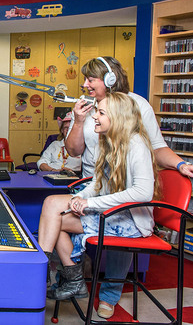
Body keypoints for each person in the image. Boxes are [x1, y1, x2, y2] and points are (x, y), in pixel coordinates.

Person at [64, 56, 193, 318]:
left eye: (91, 79)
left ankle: (110, 294)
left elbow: (155, 148)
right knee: (63, 215)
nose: (85, 84)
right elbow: (74, 150)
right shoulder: (86, 106)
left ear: (110, 79)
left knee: (121, 225)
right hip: (93, 181)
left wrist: (180, 165)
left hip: (122, 184)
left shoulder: (136, 104)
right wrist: (78, 121)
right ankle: (77, 274)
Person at [38, 93, 159, 308]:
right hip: (115, 211)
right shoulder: (110, 142)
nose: (95, 117)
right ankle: (56, 273)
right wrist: (80, 196)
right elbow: (99, 182)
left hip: (131, 221)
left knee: (53, 219)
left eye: (101, 113)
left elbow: (143, 192)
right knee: (51, 204)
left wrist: (90, 204)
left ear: (118, 117)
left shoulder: (136, 144)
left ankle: (45, 274)